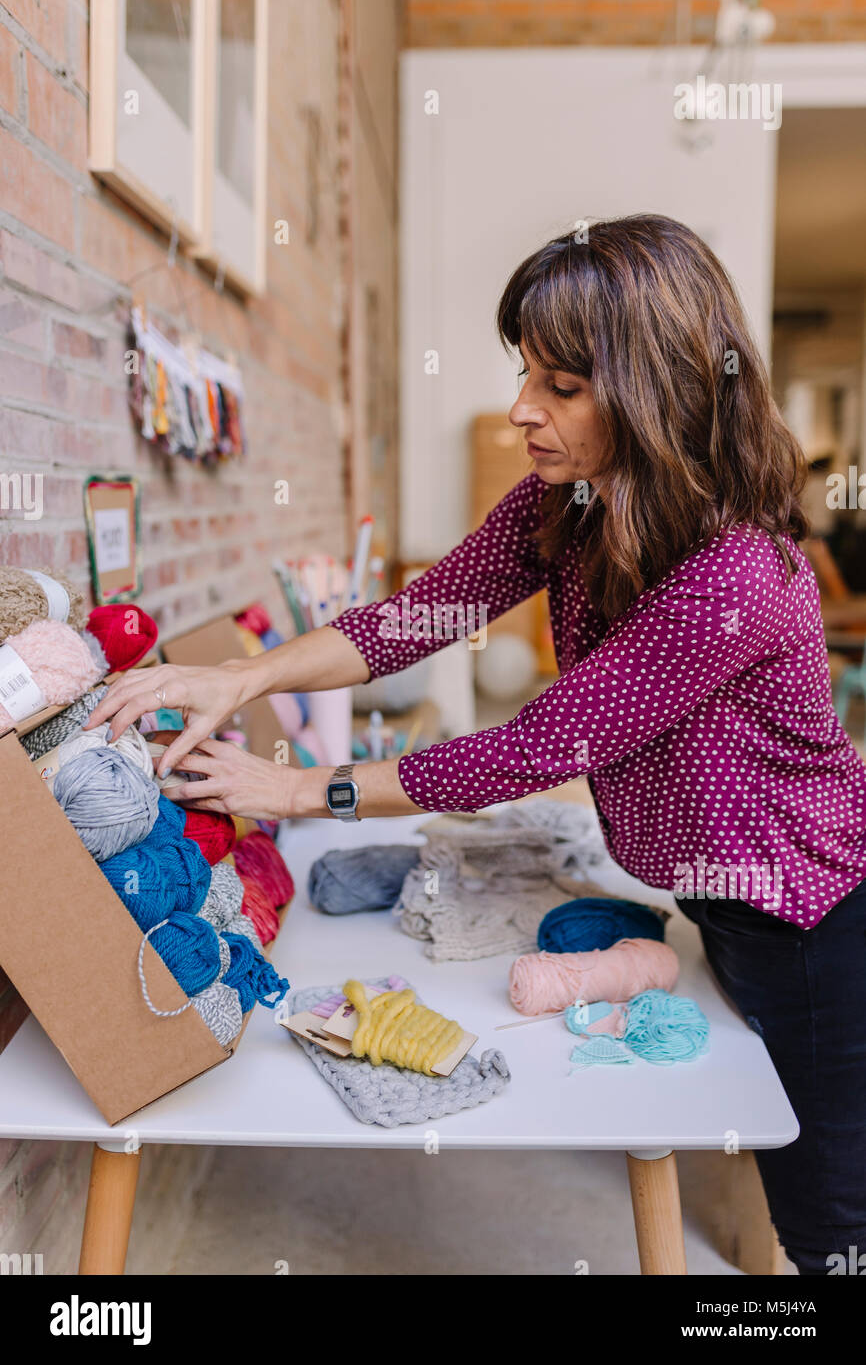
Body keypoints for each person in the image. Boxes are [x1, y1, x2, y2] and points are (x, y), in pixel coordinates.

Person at [89, 214, 866, 1275]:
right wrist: (244, 674)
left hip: (808, 914)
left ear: (653, 388)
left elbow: (536, 741)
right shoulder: (571, 502)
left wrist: (303, 787)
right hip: (720, 893)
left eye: (560, 385)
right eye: (525, 374)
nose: (520, 410)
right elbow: (421, 614)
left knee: (826, 1222)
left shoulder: (735, 574)